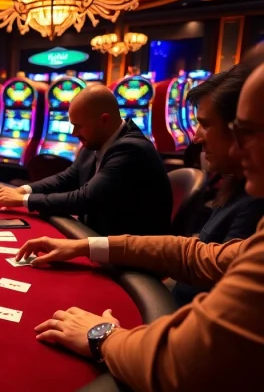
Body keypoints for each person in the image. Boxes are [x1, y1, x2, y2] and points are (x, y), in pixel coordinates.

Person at [14, 49, 264, 391]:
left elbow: (184, 363)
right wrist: (85, 246)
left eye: (244, 130)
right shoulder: (242, 198)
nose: (195, 137)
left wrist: (103, 336)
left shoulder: (131, 148)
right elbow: (201, 255)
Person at [0, 85, 172, 236]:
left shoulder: (131, 149)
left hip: (127, 253)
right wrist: (24, 190)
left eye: (78, 126)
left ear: (104, 121)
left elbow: (85, 199)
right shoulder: (97, 140)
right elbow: (67, 178)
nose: (73, 133)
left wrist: (25, 201)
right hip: (97, 234)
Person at [171, 67, 264, 306]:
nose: (196, 137)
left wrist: (105, 330)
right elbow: (200, 256)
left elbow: (223, 307)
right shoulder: (237, 184)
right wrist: (98, 246)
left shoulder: (255, 203)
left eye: (205, 124)